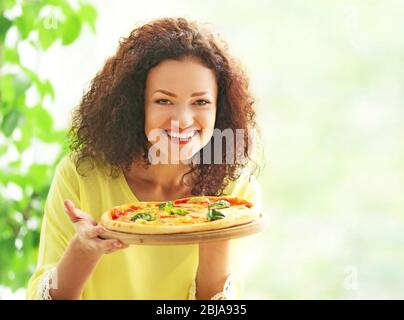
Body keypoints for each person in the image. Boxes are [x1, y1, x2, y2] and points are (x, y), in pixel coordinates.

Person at [27, 17, 262, 300]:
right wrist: (84, 249)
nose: (183, 120)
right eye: (164, 100)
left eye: (201, 102)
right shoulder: (82, 175)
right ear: (136, 106)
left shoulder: (234, 195)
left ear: (219, 108)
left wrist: (215, 232)